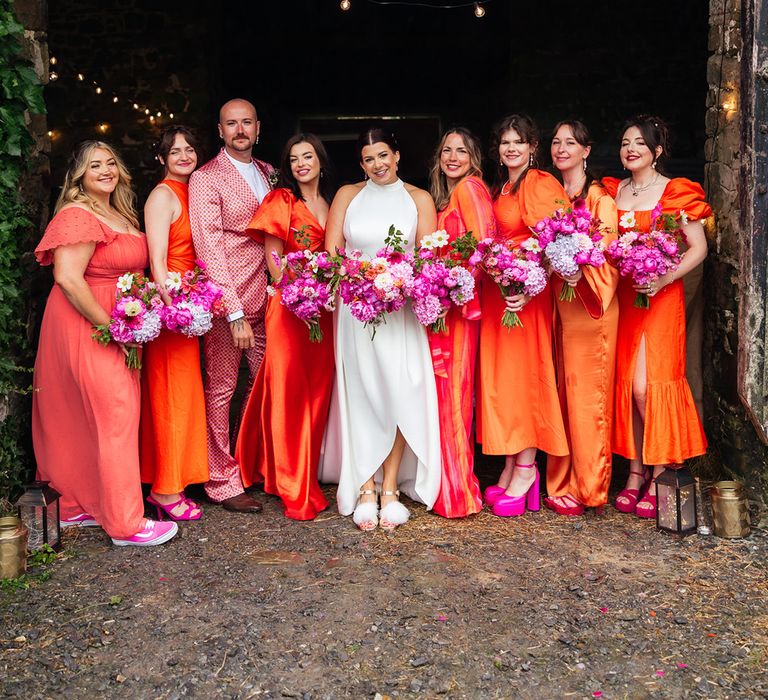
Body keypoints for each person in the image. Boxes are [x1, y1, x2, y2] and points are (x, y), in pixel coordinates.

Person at [32, 140, 177, 546]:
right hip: (86, 322)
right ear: (79, 174)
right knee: (116, 412)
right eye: (95, 165)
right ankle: (126, 524)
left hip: (117, 320)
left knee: (93, 416)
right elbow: (68, 279)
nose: (105, 170)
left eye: (111, 163)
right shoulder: (77, 214)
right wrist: (113, 328)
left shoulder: (117, 211)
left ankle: (78, 505)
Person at [319, 127, 442, 530]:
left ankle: (390, 487)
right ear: (361, 164)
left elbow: (426, 258)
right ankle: (366, 487)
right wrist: (360, 279)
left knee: (400, 391)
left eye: (384, 155)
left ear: (398, 155)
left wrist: (397, 282)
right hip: (357, 311)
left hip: (400, 310)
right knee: (364, 394)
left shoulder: (419, 198)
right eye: (369, 159)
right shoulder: (347, 196)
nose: (378, 165)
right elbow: (332, 252)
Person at [603, 116, 710, 518]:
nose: (631, 150)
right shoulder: (613, 192)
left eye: (640, 145)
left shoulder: (676, 192)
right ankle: (634, 473)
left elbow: (697, 248)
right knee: (628, 385)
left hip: (661, 298)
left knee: (649, 387)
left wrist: (664, 277)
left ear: (657, 152)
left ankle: (661, 469)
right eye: (625, 143)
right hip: (625, 299)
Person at [235, 133, 336, 520]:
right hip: (291, 307)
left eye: (307, 157)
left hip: (325, 312)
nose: (300, 164)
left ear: (320, 161)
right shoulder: (282, 201)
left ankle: (303, 470)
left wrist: (322, 296)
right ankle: (292, 482)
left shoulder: (332, 203)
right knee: (289, 392)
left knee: (317, 393)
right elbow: (273, 261)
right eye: (293, 159)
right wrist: (299, 295)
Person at [479, 114, 569, 518]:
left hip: (527, 297)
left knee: (527, 378)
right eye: (504, 143)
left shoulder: (540, 183)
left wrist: (531, 282)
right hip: (503, 293)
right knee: (506, 381)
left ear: (533, 147)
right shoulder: (503, 187)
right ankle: (512, 463)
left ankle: (528, 468)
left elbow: (560, 241)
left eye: (519, 142)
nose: (510, 148)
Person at [189, 98, 275, 513]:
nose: (240, 130)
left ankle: (255, 466)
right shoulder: (206, 178)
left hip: (269, 300)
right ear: (220, 130)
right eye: (231, 124)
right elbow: (208, 248)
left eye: (246, 123)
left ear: (258, 128)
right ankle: (222, 480)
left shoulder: (269, 173)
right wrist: (234, 310)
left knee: (263, 386)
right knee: (221, 389)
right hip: (230, 303)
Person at [543, 120, 620, 516]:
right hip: (559, 304)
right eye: (556, 142)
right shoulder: (553, 195)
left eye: (570, 142)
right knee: (561, 391)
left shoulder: (599, 198)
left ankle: (589, 485)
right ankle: (561, 479)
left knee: (588, 397)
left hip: (590, 304)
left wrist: (578, 268)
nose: (561, 148)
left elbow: (606, 247)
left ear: (586, 150)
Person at [140, 126, 208, 521]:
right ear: (162, 159)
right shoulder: (162, 196)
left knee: (184, 396)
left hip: (191, 306)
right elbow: (158, 262)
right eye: (174, 151)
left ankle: (175, 480)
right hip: (173, 313)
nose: (183, 155)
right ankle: (164, 490)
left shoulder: (192, 191)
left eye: (189, 148)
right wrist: (176, 309)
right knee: (170, 396)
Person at [426, 127, 495, 518]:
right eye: (446, 151)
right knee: (442, 397)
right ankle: (446, 482)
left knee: (453, 398)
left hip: (459, 310)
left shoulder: (470, 189)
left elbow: (482, 247)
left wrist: (451, 288)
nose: (452, 157)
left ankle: (458, 493)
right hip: (443, 309)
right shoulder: (447, 196)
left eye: (461, 151)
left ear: (473, 157)